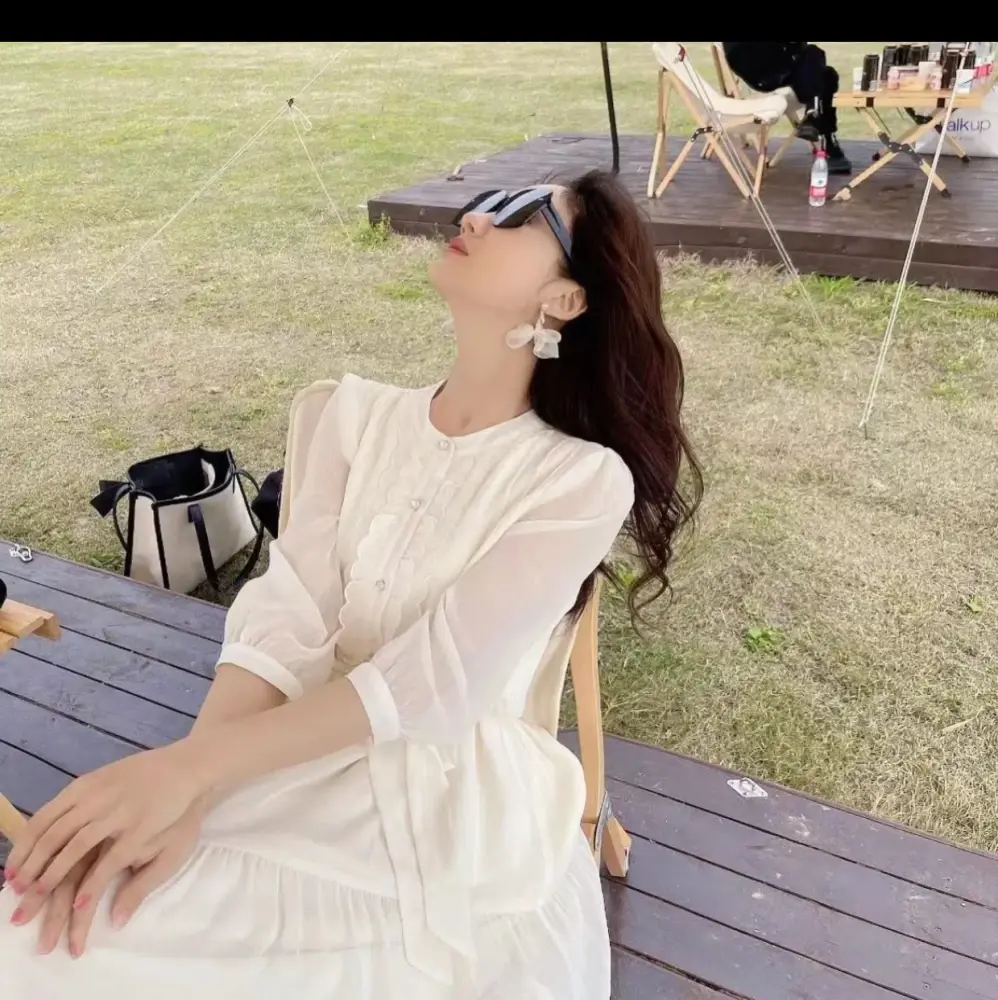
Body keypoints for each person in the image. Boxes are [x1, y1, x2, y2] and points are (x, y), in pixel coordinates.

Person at [0, 172, 702, 1000]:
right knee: (55, 942)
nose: (475, 217)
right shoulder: (351, 415)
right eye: (488, 200)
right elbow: (287, 619)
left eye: (520, 215)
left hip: (443, 802)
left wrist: (190, 774)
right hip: (278, 748)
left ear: (566, 300)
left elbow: (434, 682)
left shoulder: (581, 480)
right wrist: (188, 786)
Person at [722, 41, 852, 174]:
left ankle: (814, 115)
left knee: (826, 73)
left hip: (779, 65)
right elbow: (742, 57)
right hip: (762, 73)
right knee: (819, 65)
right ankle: (825, 136)